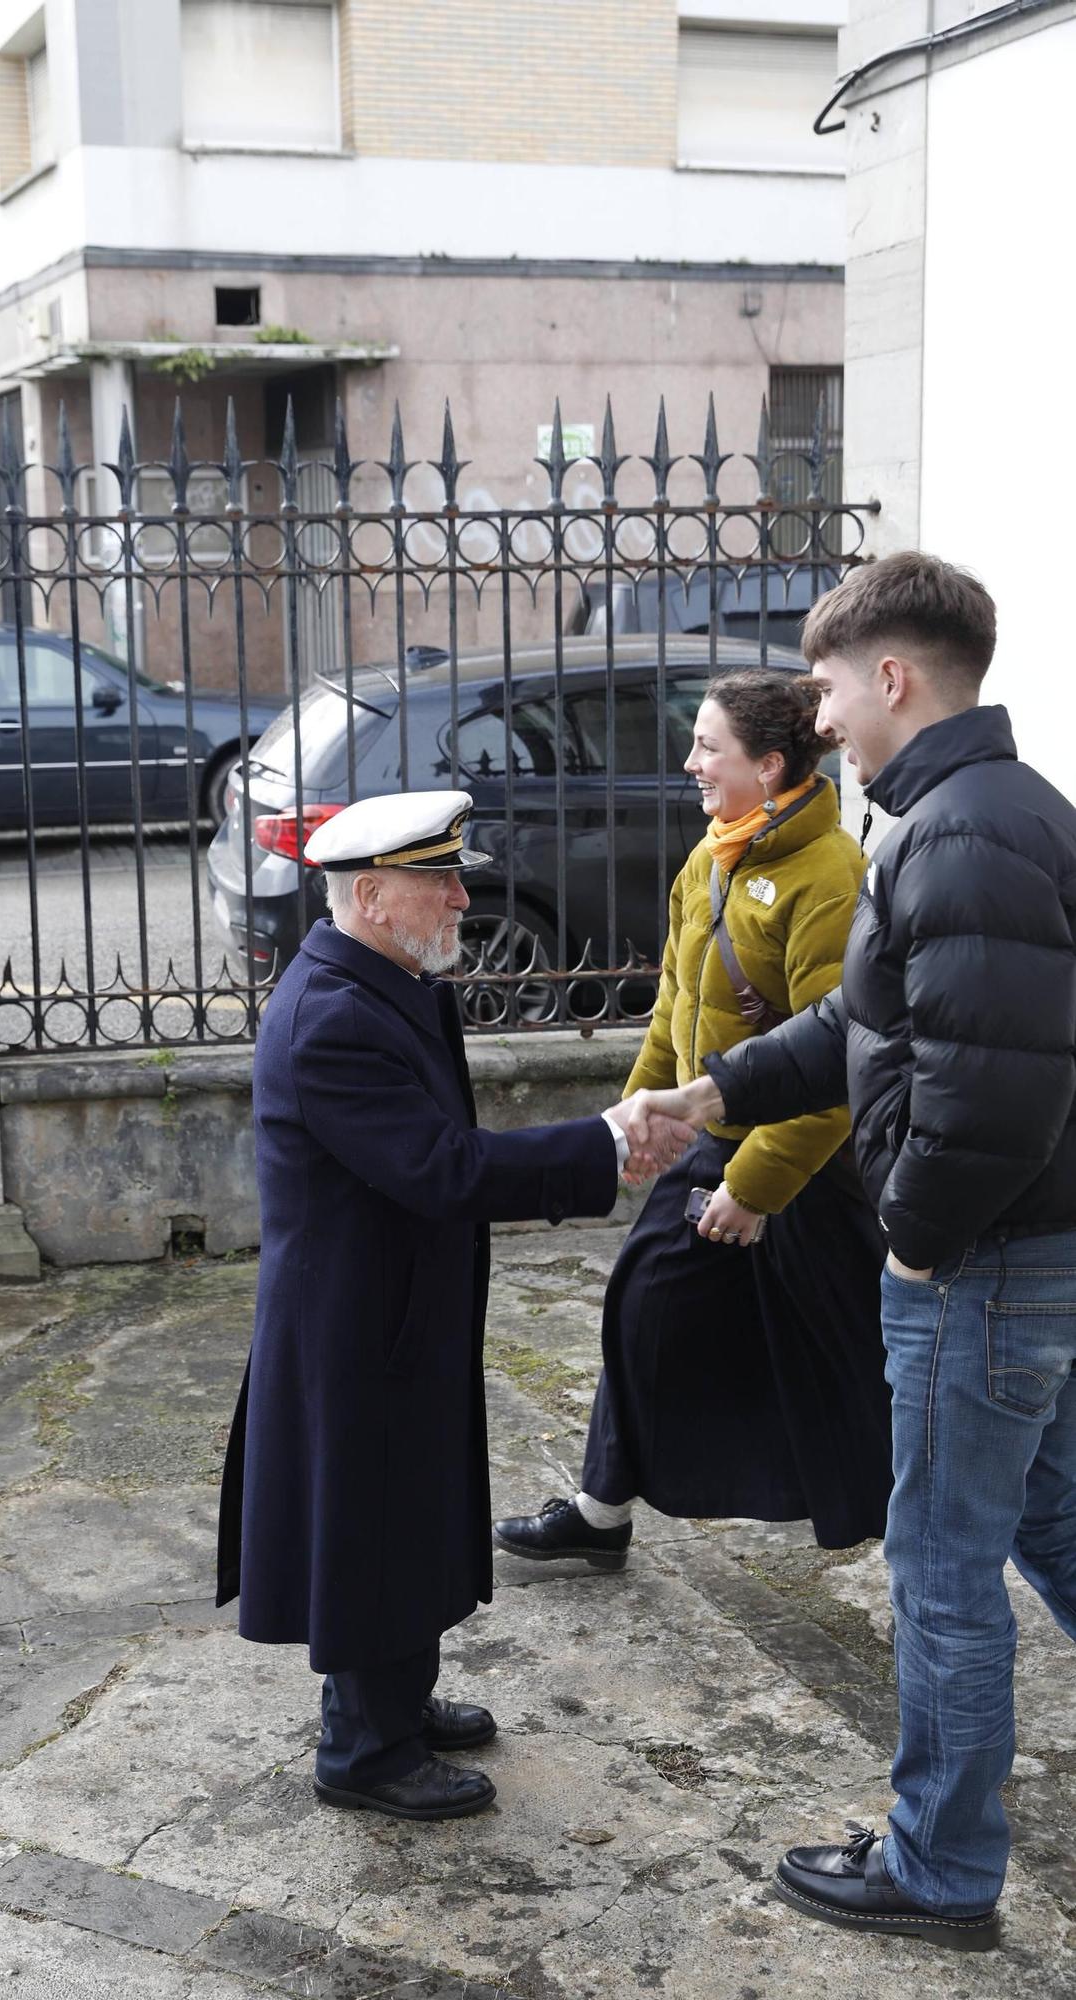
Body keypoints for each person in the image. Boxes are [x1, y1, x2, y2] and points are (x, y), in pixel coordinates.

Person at [625, 551, 1076, 1953]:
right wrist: (713, 1092)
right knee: (1057, 1521)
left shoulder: (957, 834)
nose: (815, 718)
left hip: (983, 1272)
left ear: (891, 679)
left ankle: (939, 1870)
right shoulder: (967, 816)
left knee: (943, 1574)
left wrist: (919, 1250)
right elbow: (873, 1029)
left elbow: (990, 1089)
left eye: (823, 688)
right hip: (1027, 1259)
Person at [216, 790, 671, 1823]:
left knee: (408, 1503)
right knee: (373, 1517)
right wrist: (605, 1141)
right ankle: (366, 1748)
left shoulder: (390, 978)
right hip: (353, 1320)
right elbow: (443, 1168)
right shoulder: (334, 1014)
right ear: (372, 895)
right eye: (441, 880)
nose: (465, 895)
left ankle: (394, 1701)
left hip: (400, 1300)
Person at [494, 670, 891, 1569]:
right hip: (713, 1138)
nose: (690, 763)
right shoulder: (714, 854)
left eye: (709, 747)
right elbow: (677, 998)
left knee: (850, 1361)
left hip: (802, 1170)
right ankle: (601, 1514)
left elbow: (835, 1067)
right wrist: (645, 1115)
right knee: (646, 1308)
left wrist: (753, 1190)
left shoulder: (829, 878)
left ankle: (919, 1536)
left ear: (771, 763)